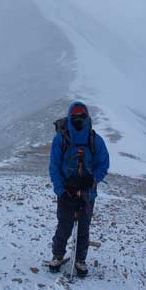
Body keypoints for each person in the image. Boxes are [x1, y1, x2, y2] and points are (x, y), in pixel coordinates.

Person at [49, 101, 109, 277]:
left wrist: (92, 180)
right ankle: (57, 255)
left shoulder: (94, 140)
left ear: (87, 117)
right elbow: (54, 167)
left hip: (87, 191)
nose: (78, 120)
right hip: (67, 189)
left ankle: (80, 260)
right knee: (64, 224)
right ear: (69, 118)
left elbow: (103, 163)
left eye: (81, 117)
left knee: (84, 226)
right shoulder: (61, 139)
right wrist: (61, 191)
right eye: (74, 117)